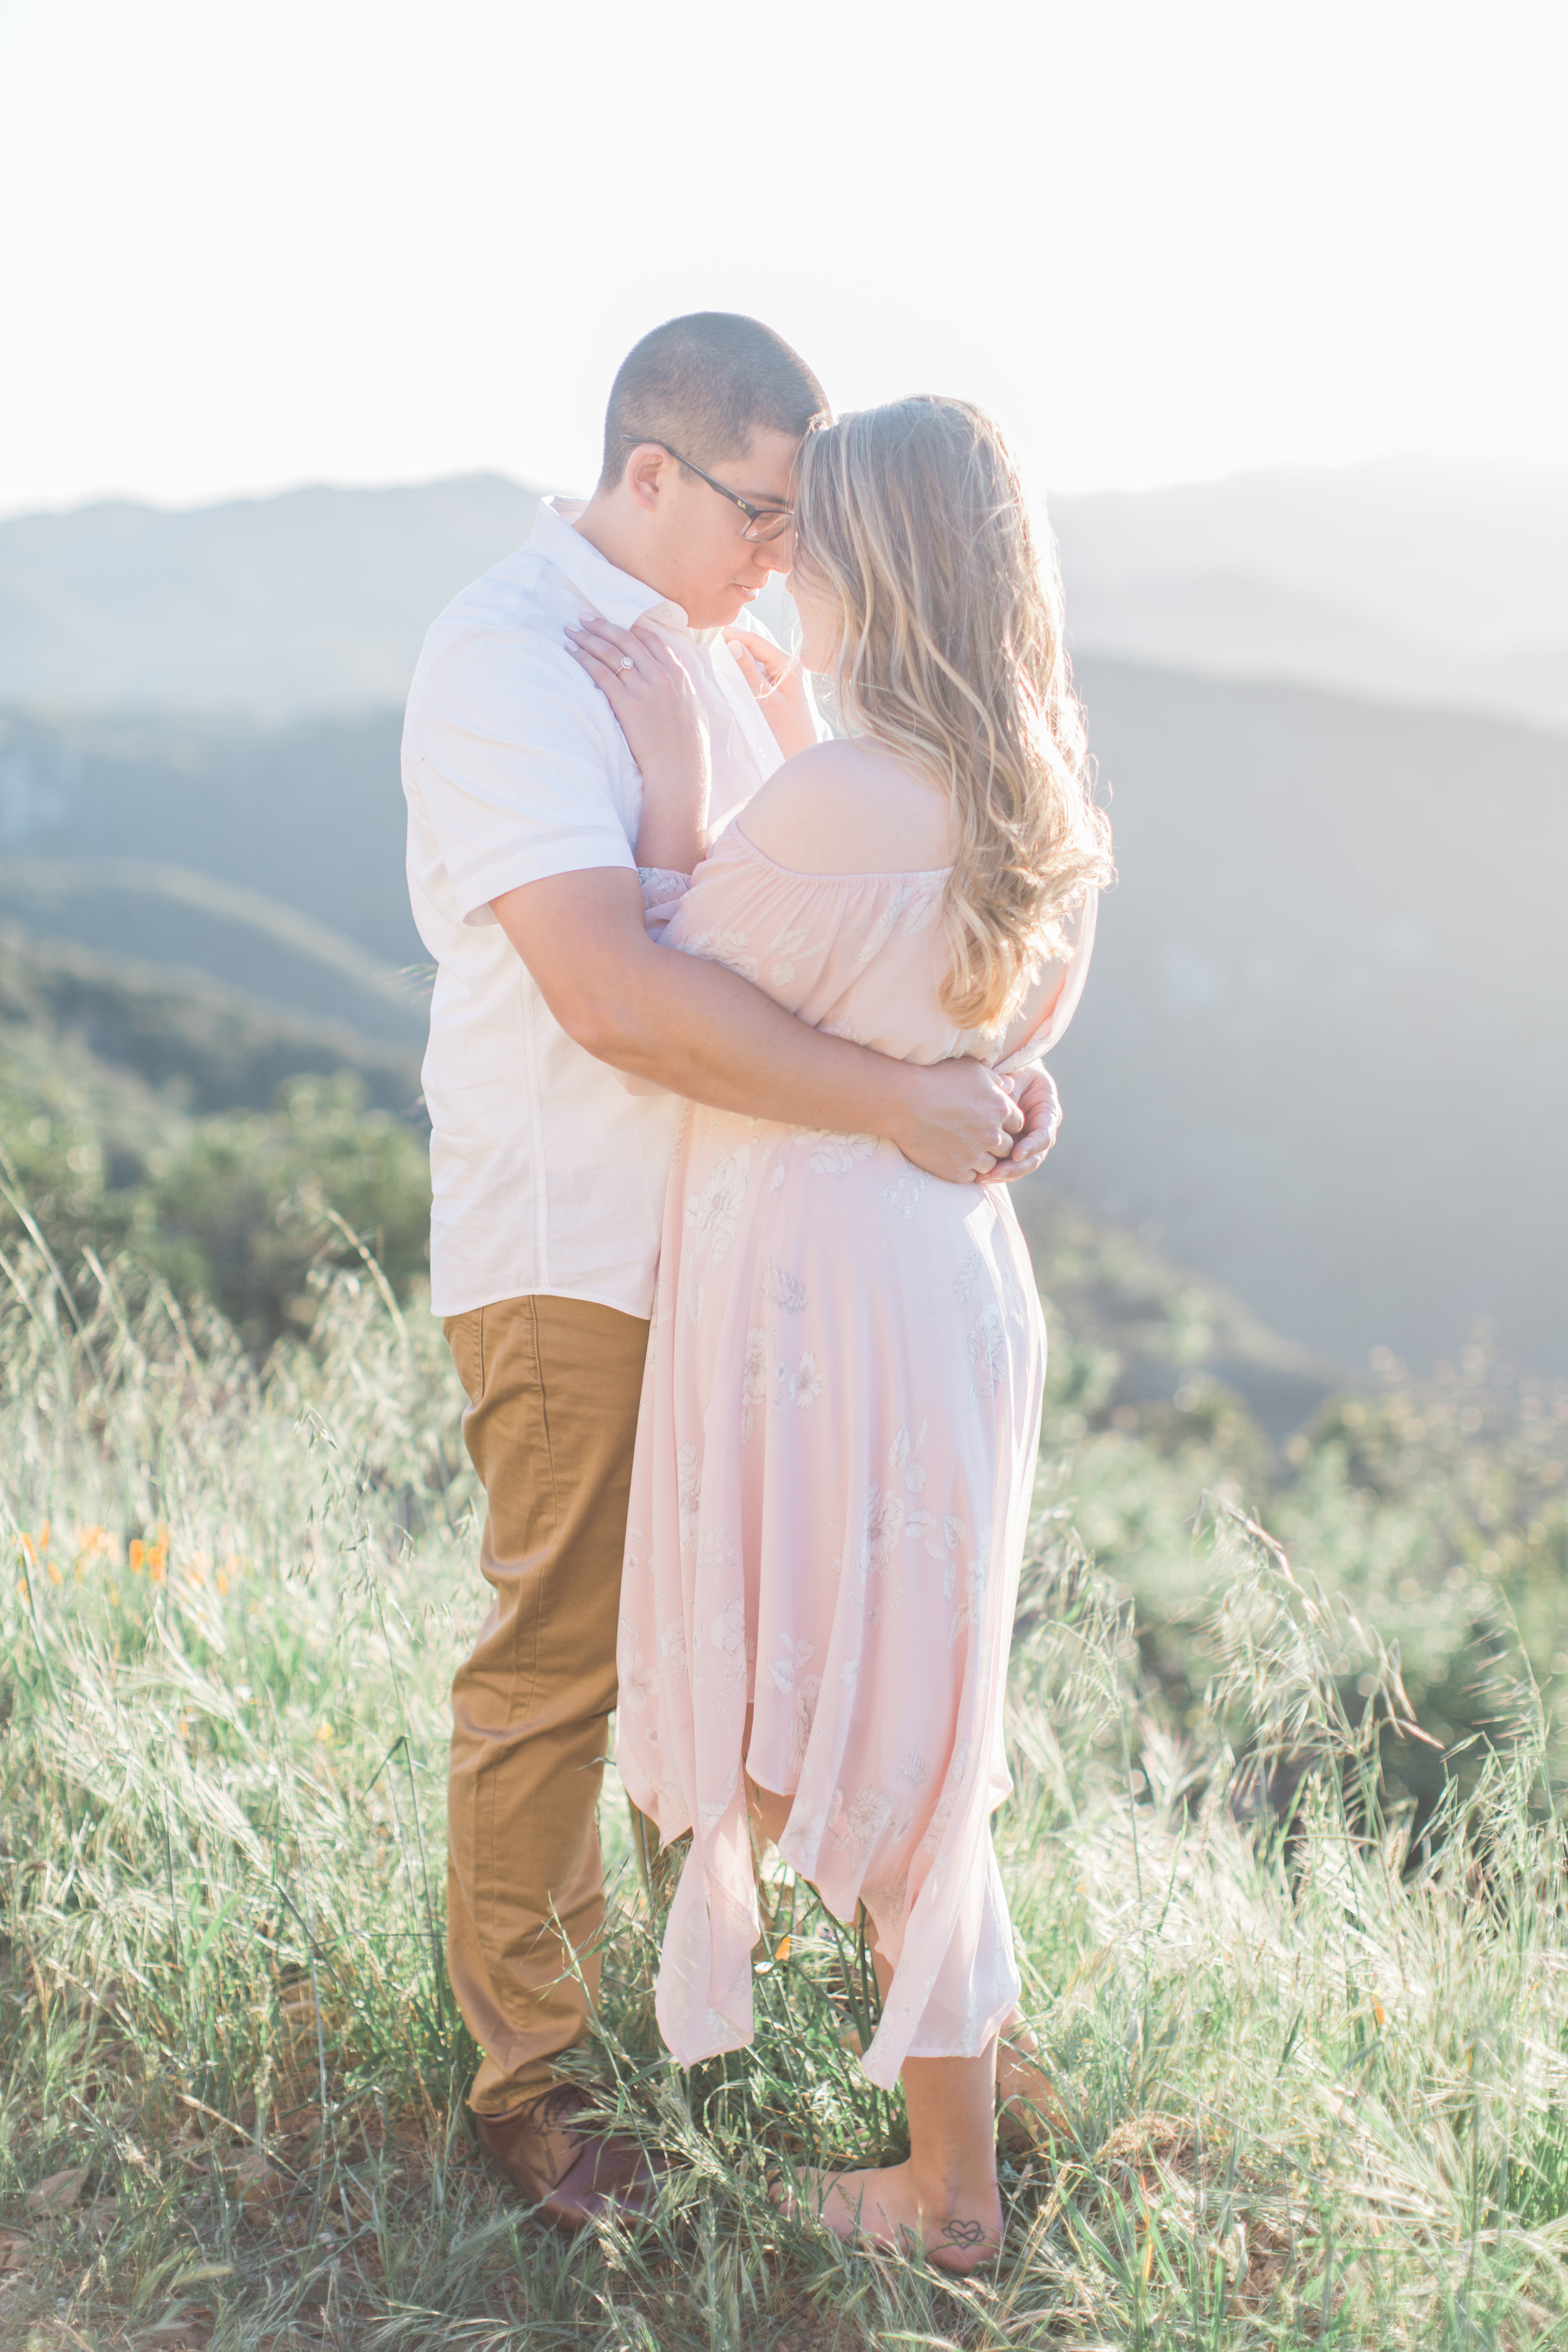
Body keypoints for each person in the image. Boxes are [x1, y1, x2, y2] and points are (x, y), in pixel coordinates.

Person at [400, 317, 1063, 2234]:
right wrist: (909, 1098)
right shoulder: (514, 659)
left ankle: (891, 2035)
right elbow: (620, 990)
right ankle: (535, 2074)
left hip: (775, 1268)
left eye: (805, 518)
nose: (783, 550)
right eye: (757, 509)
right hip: (586, 1247)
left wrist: (984, 1083)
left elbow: (887, 928)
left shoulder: (735, 653)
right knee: (560, 1664)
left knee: (826, 1649)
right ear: (651, 473)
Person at [572, 394, 1110, 2271]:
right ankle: (977, 2066)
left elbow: (660, 975)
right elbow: (978, 1031)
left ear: (882, 558)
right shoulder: (1036, 785)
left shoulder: (818, 810)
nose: (783, 549)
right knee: (906, 1713)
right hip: (941, 1273)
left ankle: (948, 2193)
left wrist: (662, 781)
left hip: (814, 1292)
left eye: (821, 527)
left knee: (848, 1741)